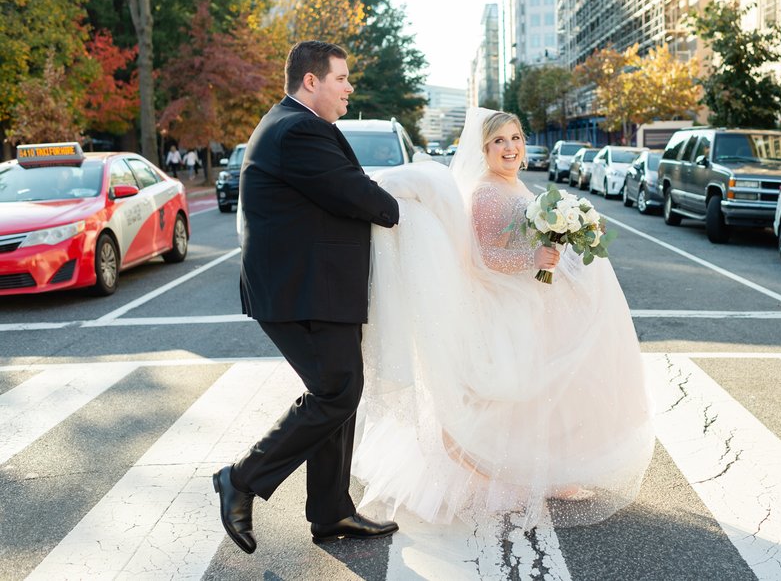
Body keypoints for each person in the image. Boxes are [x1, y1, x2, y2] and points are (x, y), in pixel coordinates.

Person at [353, 108, 654, 530]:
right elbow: (484, 258)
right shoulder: (488, 194)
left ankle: (548, 469)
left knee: (548, 391)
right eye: (498, 142)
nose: (509, 147)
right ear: (485, 149)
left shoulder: (513, 185)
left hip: (531, 303)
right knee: (510, 394)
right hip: (506, 307)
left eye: (515, 138)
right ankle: (503, 475)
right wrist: (533, 259)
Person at [212, 41, 401, 554]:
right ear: (311, 81)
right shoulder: (298, 130)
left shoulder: (298, 125)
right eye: (341, 78)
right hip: (303, 290)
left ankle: (331, 510)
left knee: (339, 390)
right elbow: (361, 196)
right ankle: (241, 479)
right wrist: (400, 204)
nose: (349, 87)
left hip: (315, 288)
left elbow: (340, 193)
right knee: (336, 391)